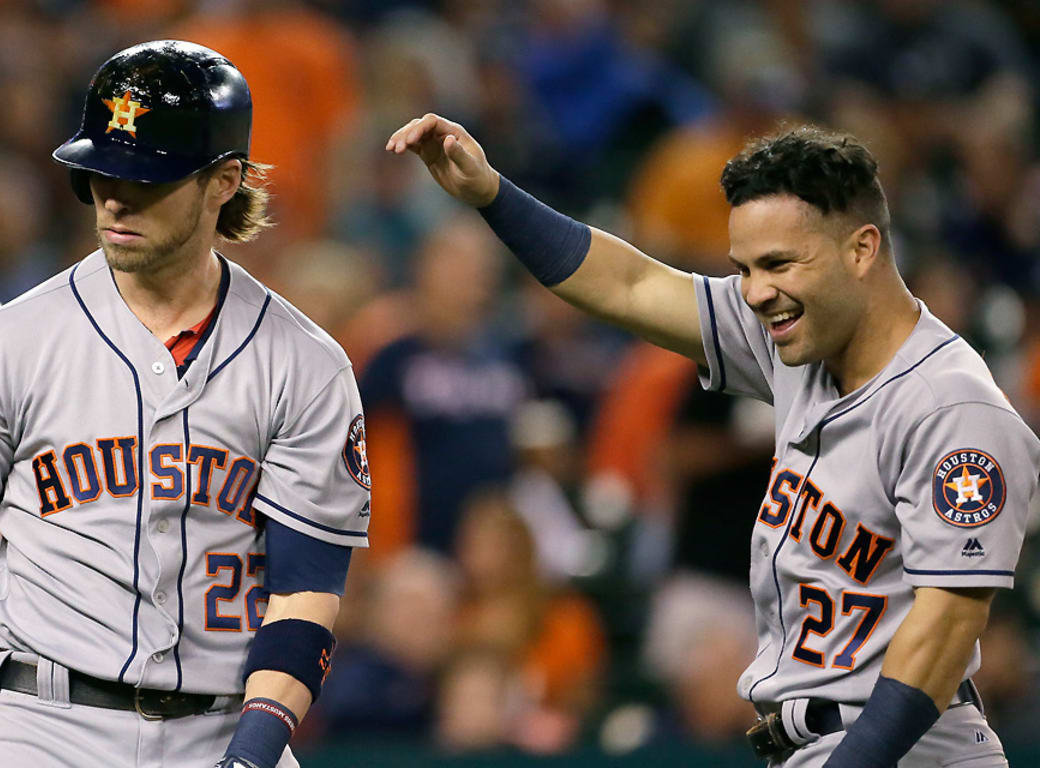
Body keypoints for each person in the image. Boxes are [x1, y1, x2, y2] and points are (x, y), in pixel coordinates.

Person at [387, 113, 1036, 767]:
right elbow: (630, 284)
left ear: (861, 249)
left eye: (778, 264)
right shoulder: (797, 340)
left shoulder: (953, 410)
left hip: (904, 748)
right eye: (744, 269)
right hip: (819, 742)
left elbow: (948, 625)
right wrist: (493, 196)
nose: (756, 293)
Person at [0, 40, 370, 768]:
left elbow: (305, 595)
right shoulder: (13, 341)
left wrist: (251, 753)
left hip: (223, 721)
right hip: (43, 723)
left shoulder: (304, 364)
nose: (115, 196)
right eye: (100, 172)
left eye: (146, 177)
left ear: (225, 181)